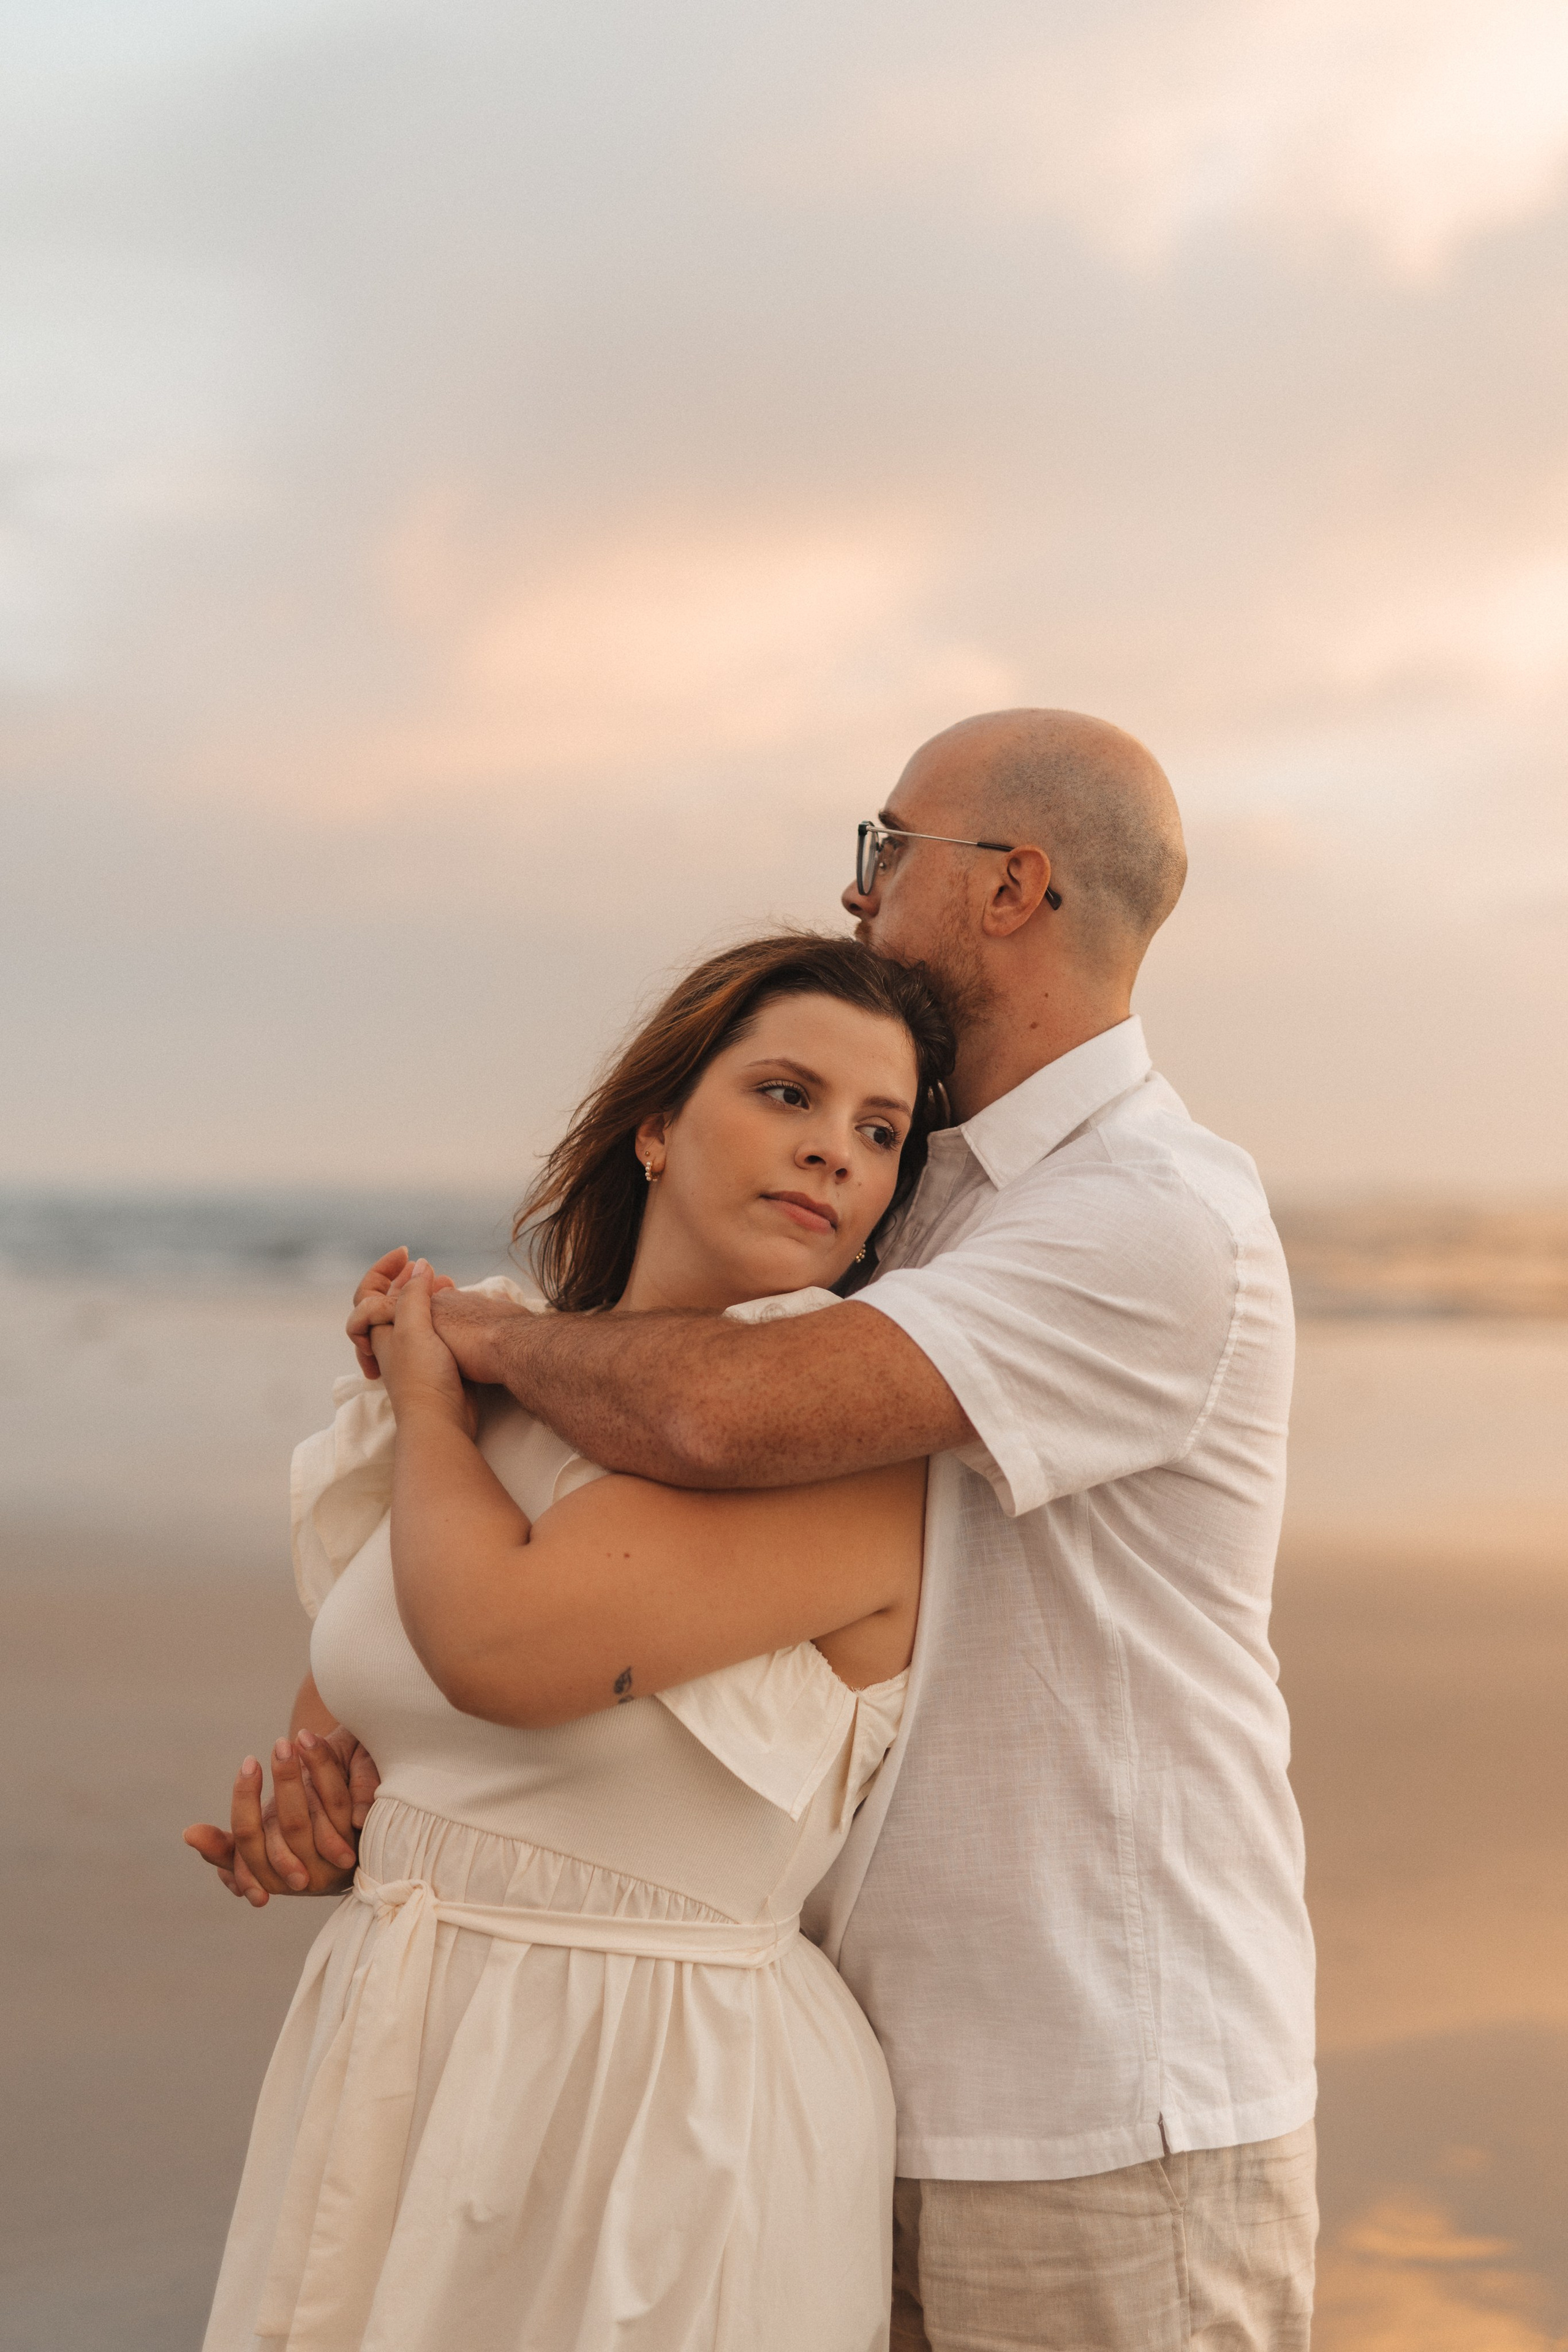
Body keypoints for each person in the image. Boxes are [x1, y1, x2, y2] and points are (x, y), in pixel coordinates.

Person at [352, 709, 1319, 2351]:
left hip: (1097, 2106)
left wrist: (483, 1343)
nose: (860, 898)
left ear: (1013, 884)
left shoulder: (1151, 1216)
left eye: (889, 849)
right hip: (828, 2081)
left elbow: (718, 1415)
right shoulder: (902, 1197)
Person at [185, 935, 956, 2352]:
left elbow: (505, 1655)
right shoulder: (500, 1374)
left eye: (879, 1132)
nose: (834, 1152)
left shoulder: (851, 1454)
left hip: (658, 2101)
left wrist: (428, 1403)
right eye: (786, 1094)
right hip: (400, 2048)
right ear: (655, 1127)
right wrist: (307, 1830)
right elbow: (360, 1735)